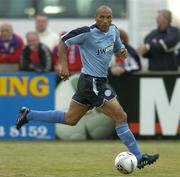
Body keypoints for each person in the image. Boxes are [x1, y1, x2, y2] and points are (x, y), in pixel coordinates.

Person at [16, 5, 159, 169]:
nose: (105, 21)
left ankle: (28, 115)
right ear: (95, 18)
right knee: (121, 116)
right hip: (91, 82)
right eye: (102, 17)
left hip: (94, 82)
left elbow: (118, 48)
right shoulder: (87, 32)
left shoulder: (114, 31)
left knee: (70, 119)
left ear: (111, 18)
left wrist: (121, 52)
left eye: (108, 17)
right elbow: (63, 40)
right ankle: (139, 157)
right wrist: (63, 64)